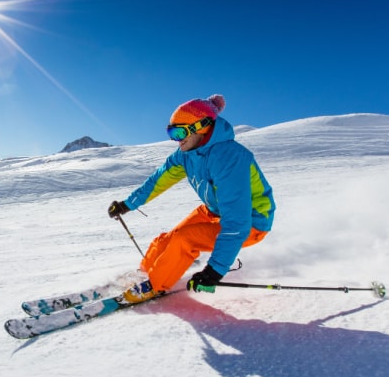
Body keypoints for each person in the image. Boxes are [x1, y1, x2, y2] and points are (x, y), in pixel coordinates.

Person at [107, 94, 275, 303]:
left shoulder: (229, 157)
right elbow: (159, 180)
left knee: (184, 240)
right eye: (171, 132)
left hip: (251, 221)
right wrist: (127, 204)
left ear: (201, 127)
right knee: (166, 239)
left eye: (179, 132)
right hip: (214, 211)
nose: (176, 139)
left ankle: (154, 286)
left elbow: (237, 221)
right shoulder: (186, 154)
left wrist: (215, 270)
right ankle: (144, 274)